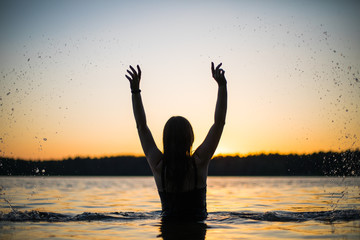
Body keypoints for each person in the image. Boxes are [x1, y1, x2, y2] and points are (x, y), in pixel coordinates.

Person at [126, 62, 227, 221]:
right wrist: (222, 86)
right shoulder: (198, 163)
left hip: (167, 229)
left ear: (165, 139)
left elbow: (141, 127)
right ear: (190, 138)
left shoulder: (159, 166)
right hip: (196, 230)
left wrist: (135, 91)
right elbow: (219, 123)